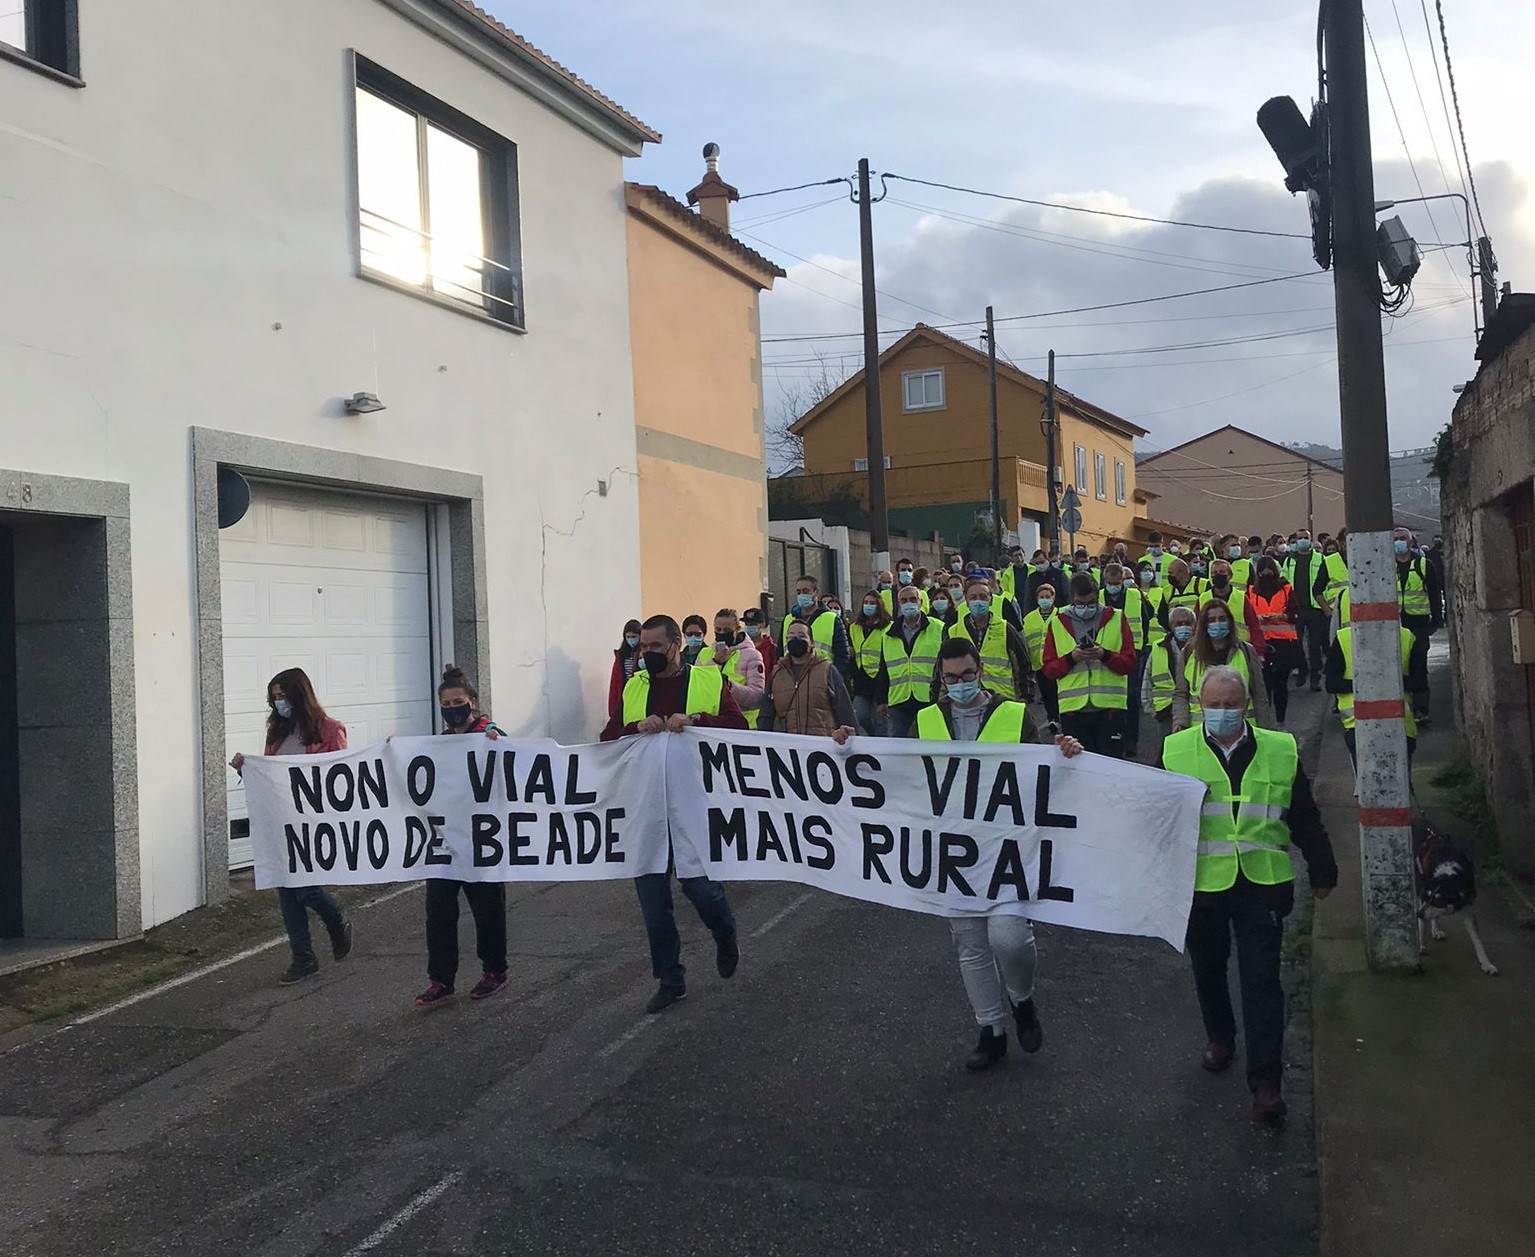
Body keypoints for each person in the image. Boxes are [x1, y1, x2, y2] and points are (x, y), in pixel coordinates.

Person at [1162, 666, 1336, 1122]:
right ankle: (1220, 1036)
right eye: (1213, 706)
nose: (1222, 713)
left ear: (1247, 705)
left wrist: (1322, 866)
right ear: (1200, 706)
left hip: (1263, 883)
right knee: (1208, 968)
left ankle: (1266, 1083)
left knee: (1262, 982)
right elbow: (1149, 813)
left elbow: (1303, 813)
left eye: (1230, 705)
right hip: (1203, 885)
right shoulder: (1176, 751)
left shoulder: (1280, 750)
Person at [912, 638, 1084, 1070]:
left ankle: (1021, 999)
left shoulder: (1015, 715)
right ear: (942, 679)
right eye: (950, 678)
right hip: (954, 851)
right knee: (969, 943)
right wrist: (848, 746)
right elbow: (900, 774)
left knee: (1008, 937)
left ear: (980, 671)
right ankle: (990, 1030)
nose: (960, 684)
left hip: (1008, 849)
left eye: (967, 675)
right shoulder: (926, 719)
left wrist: (1064, 753)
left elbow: (1040, 772)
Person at [600, 614, 744, 1014]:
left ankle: (724, 930)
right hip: (646, 807)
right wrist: (633, 728)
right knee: (652, 899)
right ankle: (670, 979)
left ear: (677, 645)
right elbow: (608, 738)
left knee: (700, 888)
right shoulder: (635, 687)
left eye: (655, 648)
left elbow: (737, 729)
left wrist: (698, 721)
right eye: (642, 648)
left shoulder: (708, 681)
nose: (646, 654)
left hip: (694, 805)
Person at [229, 668, 353, 985]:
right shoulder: (278, 732)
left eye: (283, 696)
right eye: (274, 698)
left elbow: (343, 777)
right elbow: (272, 775)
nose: (279, 703)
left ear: (300, 695)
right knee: (286, 891)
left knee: (305, 889)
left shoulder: (329, 730)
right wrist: (250, 769)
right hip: (282, 823)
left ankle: (335, 918)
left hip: (313, 824)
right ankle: (303, 957)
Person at [414, 665, 510, 1009]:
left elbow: (513, 768)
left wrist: (499, 740)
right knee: (438, 911)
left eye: (459, 701)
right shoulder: (440, 743)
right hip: (445, 842)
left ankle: (494, 971)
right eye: (447, 703)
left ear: (472, 702)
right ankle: (441, 979)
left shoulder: (492, 736)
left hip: (483, 840)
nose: (453, 707)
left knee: (487, 910)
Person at [1040, 573, 1136, 756]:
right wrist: (1071, 658)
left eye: (1091, 603)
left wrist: (1104, 655)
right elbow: (1049, 670)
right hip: (1073, 712)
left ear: (1098, 596)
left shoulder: (1117, 618)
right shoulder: (1057, 622)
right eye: (1080, 604)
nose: (1086, 608)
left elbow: (1130, 664)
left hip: (1111, 709)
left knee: (1111, 770)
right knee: (1079, 772)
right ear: (1071, 600)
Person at [1325, 615, 1425, 768]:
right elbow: (1419, 684)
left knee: (1367, 787)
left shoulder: (1344, 637)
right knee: (1402, 785)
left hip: (1359, 727)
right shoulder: (1406, 637)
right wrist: (1387, 681)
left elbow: (1332, 684)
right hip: (1400, 725)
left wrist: (1366, 683)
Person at [1172, 598, 1270, 733]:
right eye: (1211, 620)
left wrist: (1266, 731)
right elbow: (1181, 694)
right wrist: (1180, 723)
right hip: (1200, 732)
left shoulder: (1246, 651)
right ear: (1204, 625)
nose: (1217, 624)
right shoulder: (1189, 653)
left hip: (1243, 731)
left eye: (1222, 619)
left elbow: (1260, 694)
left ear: (1229, 622)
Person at [760, 620, 858, 741]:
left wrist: (854, 741)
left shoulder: (827, 670)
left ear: (811, 642)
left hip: (823, 748)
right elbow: (766, 715)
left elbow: (845, 710)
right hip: (787, 750)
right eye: (791, 636)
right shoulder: (777, 673)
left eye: (801, 636)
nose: (796, 639)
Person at [945, 574, 1031, 701]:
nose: (978, 601)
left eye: (983, 597)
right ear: (967, 602)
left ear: (990, 600)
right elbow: (942, 669)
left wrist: (1025, 696)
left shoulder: (1005, 628)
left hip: (1002, 699)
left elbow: (1023, 664)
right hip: (965, 700)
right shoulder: (953, 631)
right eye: (973, 598)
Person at [878, 583, 946, 739]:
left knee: (929, 740)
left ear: (920, 603)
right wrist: (881, 699)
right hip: (899, 700)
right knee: (900, 744)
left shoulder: (938, 628)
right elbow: (884, 668)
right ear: (899, 604)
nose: (909, 603)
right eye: (904, 600)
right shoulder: (888, 633)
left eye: (913, 599)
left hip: (928, 698)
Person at [1394, 525, 1443, 724]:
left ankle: (1421, 710)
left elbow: (1434, 593)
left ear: (1411, 541)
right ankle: (1403, 708)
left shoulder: (1424, 565)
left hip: (1419, 623)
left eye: (1403, 538)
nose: (1399, 542)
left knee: (1419, 666)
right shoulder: (1387, 566)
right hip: (1395, 624)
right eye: (1395, 538)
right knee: (1398, 666)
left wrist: (1436, 620)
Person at [1100, 562, 1146, 757]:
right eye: (1110, 583)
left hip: (1132, 652)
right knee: (1109, 697)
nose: (1113, 586)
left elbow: (1146, 617)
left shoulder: (1135, 595)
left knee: (1131, 697)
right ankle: (1111, 736)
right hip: (1106, 653)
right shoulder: (1099, 597)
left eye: (1117, 582)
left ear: (1122, 580)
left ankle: (1131, 740)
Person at [1141, 604, 1197, 768]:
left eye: (1187, 623)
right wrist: (1150, 708)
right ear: (1171, 626)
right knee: (1168, 753)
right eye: (1178, 624)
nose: (1183, 627)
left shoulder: (1201, 647)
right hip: (1165, 711)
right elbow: (1147, 678)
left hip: (1193, 710)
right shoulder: (1158, 647)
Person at [1250, 558, 1301, 727]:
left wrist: (1281, 616)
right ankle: (1265, 723)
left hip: (1283, 642)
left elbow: (1295, 613)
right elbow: (1247, 616)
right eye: (1263, 572)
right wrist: (1258, 619)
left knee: (1280, 684)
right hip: (1261, 643)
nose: (1266, 575)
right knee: (1264, 686)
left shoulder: (1286, 589)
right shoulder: (1250, 591)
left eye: (1269, 571)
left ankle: (1280, 722)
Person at [1281, 528, 1328, 691]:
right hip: (1296, 609)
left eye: (1305, 538)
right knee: (1296, 642)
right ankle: (1302, 669)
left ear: (1310, 540)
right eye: (1299, 538)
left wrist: (1325, 606)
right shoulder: (1289, 560)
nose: (1302, 541)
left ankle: (1315, 675)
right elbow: (1284, 584)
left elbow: (1325, 583)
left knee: (1315, 644)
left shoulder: (1320, 558)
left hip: (1315, 608)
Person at [704, 608, 765, 729]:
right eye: (718, 630)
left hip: (743, 727)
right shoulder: (704, 654)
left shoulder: (752, 655)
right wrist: (715, 662)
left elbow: (757, 697)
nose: (721, 633)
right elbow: (700, 685)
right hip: (712, 725)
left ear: (737, 630)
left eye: (726, 630)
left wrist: (728, 687)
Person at [784, 574, 853, 677]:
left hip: (822, 678)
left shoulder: (832, 619)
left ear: (816, 592)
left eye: (805, 591)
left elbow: (842, 655)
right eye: (798, 592)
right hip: (793, 678)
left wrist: (832, 678)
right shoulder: (788, 619)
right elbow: (781, 652)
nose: (801, 595)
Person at [849, 591, 891, 735]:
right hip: (862, 679)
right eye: (866, 603)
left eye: (872, 603)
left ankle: (881, 748)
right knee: (859, 716)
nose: (868, 606)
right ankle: (872, 738)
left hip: (881, 679)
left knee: (880, 720)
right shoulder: (855, 627)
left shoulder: (887, 627)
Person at [1022, 580, 1060, 724]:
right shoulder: (1029, 618)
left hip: (1058, 661)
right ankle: (1052, 717)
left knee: (1057, 691)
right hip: (1038, 663)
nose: (1044, 599)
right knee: (1046, 693)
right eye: (1041, 597)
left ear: (1053, 598)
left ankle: (1058, 716)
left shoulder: (1061, 615)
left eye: (1047, 596)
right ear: (1037, 599)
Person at [1207, 559, 1266, 649]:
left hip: (1239, 648)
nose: (1218, 575)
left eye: (1222, 572)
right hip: (1210, 648)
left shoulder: (1242, 598)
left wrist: (1258, 651)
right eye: (1215, 573)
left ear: (1230, 576)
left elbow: (1254, 626)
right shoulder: (1203, 598)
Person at [608, 618, 643, 718]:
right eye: (628, 637)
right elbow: (615, 682)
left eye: (634, 636)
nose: (631, 640)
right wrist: (613, 708)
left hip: (639, 693)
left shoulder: (644, 652)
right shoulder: (621, 655)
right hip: (624, 694)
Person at [742, 606, 777, 678]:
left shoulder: (772, 649)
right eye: (747, 624)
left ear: (763, 624)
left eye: (753, 624)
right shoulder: (740, 648)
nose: (749, 627)